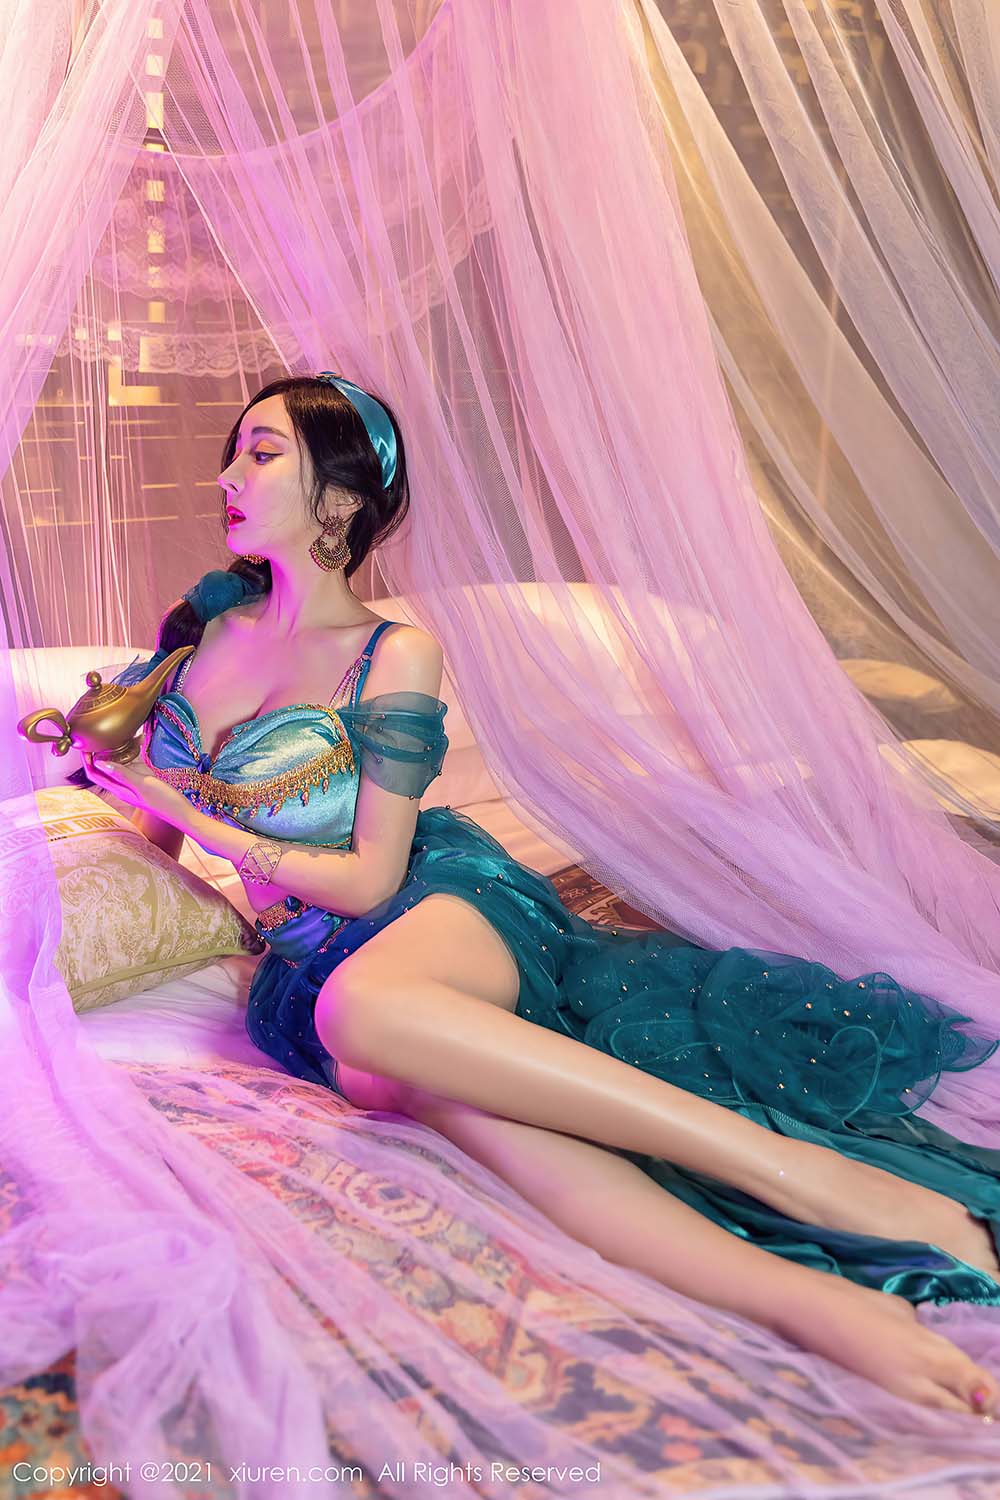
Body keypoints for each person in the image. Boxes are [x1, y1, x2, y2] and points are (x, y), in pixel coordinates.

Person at [83, 373, 1000, 1421]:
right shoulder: (197, 640)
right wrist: (113, 799)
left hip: (428, 905)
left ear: (339, 495)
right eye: (234, 451)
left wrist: (196, 820)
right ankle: (803, 1299)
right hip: (302, 967)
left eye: (262, 452)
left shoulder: (394, 652)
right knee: (416, 1084)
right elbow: (148, 843)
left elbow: (370, 876)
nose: (227, 475)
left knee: (365, 1012)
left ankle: (806, 1177)